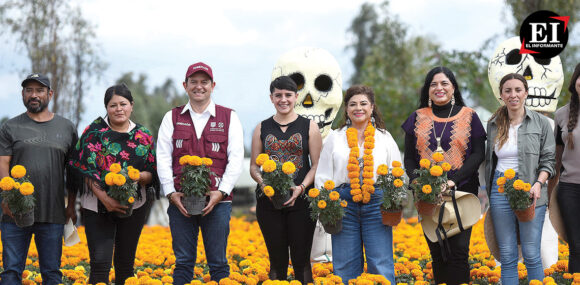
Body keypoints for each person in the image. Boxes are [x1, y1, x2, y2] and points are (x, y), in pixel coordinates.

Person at [156, 62, 244, 285]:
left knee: (218, 263)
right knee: (184, 261)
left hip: (219, 202)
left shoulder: (229, 117)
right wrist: (170, 193)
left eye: (204, 82)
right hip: (180, 201)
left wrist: (221, 192)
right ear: (185, 86)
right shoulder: (172, 117)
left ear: (213, 85)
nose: (199, 87)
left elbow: (236, 160)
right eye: (193, 82)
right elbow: (163, 158)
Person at [401, 66, 486, 285]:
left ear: (453, 88)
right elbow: (409, 158)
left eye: (444, 83)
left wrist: (452, 180)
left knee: (458, 252)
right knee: (438, 253)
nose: (439, 88)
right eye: (433, 84)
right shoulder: (417, 118)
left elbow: (478, 154)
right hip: (428, 195)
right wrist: (418, 182)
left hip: (463, 192)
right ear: (428, 90)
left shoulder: (470, 116)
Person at [67, 84, 159, 284]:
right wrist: (106, 199)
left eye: (123, 104)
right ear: (106, 108)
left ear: (131, 106)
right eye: (113, 105)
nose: (118, 109)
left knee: (125, 266)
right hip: (96, 206)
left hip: (134, 206)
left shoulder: (143, 136)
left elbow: (152, 172)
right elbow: (84, 168)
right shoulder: (93, 132)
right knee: (100, 265)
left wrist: (136, 176)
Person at [315, 84, 400, 284]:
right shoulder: (335, 138)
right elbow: (323, 175)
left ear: (372, 108)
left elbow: (397, 171)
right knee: (344, 265)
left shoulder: (384, 138)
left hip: (377, 203)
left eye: (363, 103)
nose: (358, 108)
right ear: (346, 109)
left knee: (380, 262)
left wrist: (394, 201)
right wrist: (326, 205)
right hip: (342, 202)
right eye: (353, 104)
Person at [0, 73, 77, 285]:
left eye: (39, 90)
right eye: (29, 90)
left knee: (52, 273)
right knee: (11, 272)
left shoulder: (67, 128)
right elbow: (3, 164)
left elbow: (73, 171)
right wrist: (6, 198)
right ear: (23, 94)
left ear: (50, 94)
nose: (34, 95)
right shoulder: (10, 127)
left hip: (53, 213)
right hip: (15, 213)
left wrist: (71, 206)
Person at [249, 76, 322, 283]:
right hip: (268, 203)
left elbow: (316, 165)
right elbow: (254, 167)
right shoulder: (261, 128)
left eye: (288, 95)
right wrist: (264, 185)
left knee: (301, 261)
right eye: (278, 95)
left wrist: (301, 188)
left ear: (296, 97)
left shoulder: (309, 127)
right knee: (277, 261)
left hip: (302, 202)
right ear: (271, 98)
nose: (283, 99)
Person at [485, 73, 555, 284]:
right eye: (508, 90)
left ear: (525, 93)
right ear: (501, 95)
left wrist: (538, 184)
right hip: (500, 190)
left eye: (518, 90)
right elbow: (490, 160)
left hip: (532, 190)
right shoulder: (494, 124)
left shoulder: (541, 123)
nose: (513, 95)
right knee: (507, 255)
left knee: (532, 253)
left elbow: (549, 159)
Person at [552, 63, 580, 273]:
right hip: (569, 189)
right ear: (574, 82)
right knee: (576, 246)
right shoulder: (561, 114)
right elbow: (556, 157)